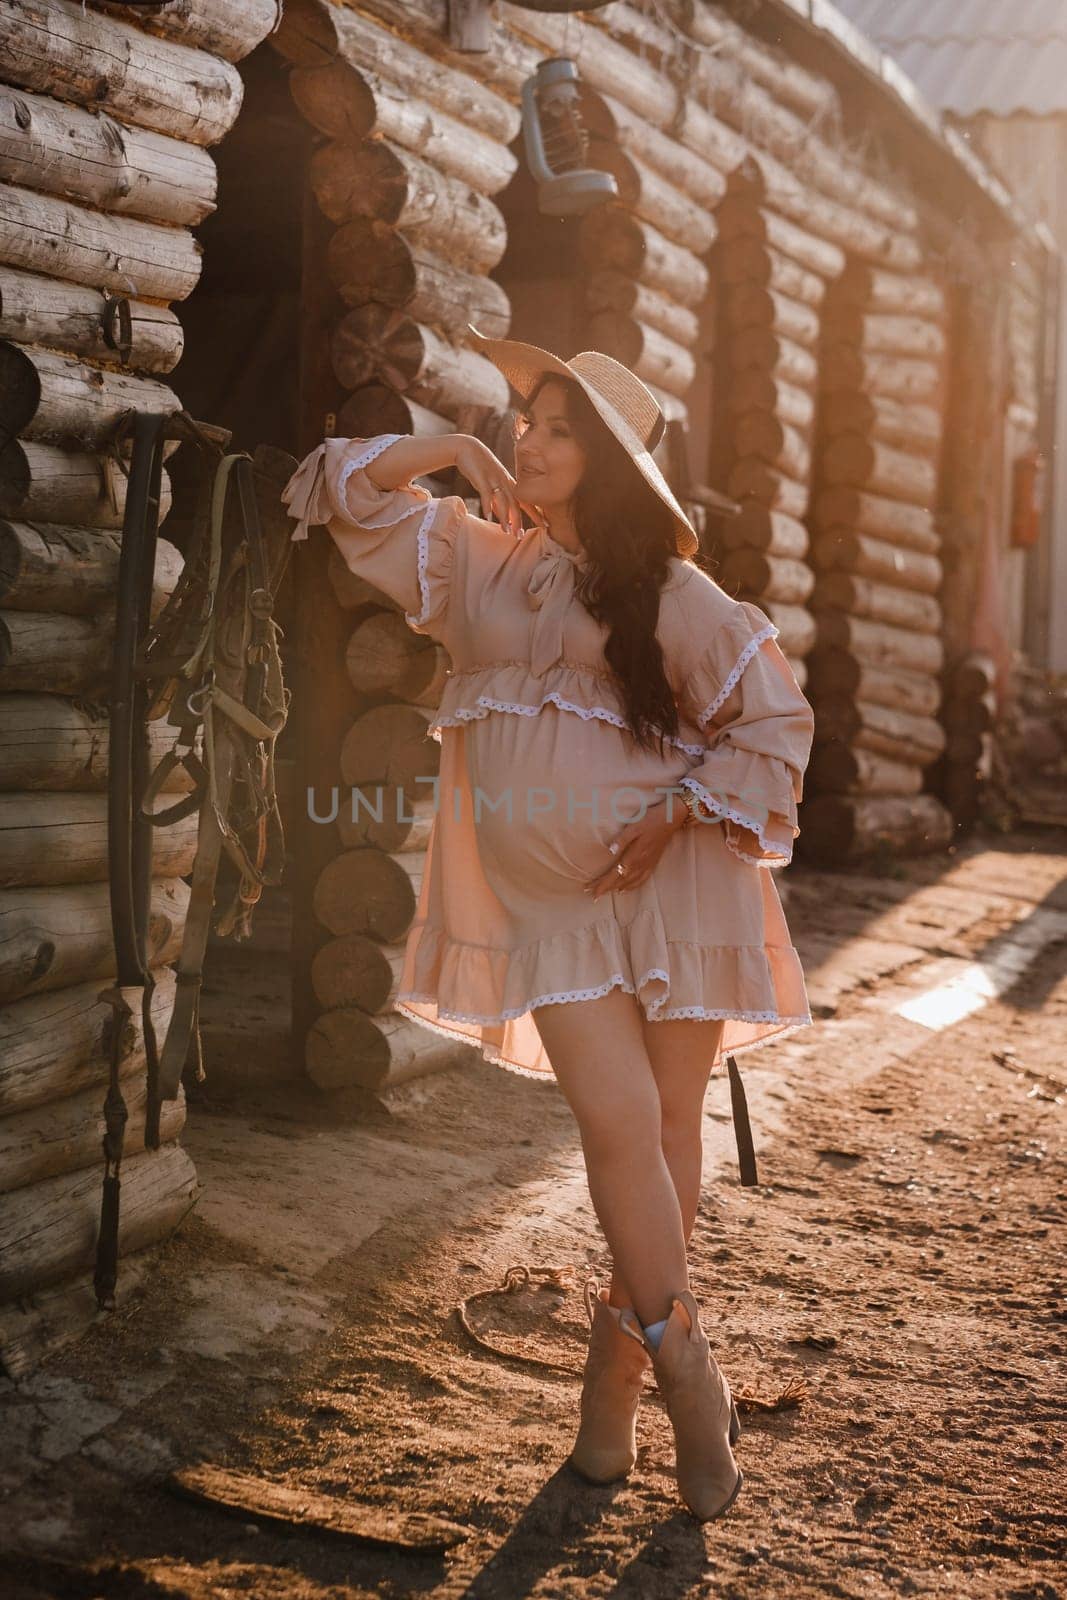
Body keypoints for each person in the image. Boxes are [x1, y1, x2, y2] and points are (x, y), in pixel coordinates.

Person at [281, 326, 816, 1522]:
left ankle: (606, 1401)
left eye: (555, 428)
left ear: (612, 465)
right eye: (526, 420)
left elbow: (774, 723)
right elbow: (333, 483)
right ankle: (687, 1368)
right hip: (549, 911)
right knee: (619, 1119)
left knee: (666, 1125)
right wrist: (460, 444)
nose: (529, 437)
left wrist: (681, 813)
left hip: (675, 891)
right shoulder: (473, 562)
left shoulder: (672, 596)